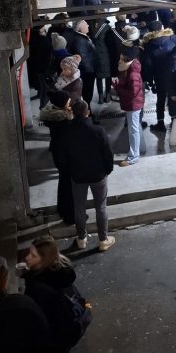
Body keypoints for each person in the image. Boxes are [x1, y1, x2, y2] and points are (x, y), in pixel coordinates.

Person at [62, 100, 116, 252]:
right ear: (88, 112)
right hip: (98, 175)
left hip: (78, 175)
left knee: (79, 208)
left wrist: (70, 171)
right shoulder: (98, 130)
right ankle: (103, 240)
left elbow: (63, 156)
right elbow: (108, 153)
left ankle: (81, 239)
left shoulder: (67, 131)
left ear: (73, 113)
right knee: (101, 207)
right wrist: (107, 170)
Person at [38, 90, 75, 224]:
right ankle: (70, 216)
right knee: (69, 185)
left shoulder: (53, 116)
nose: (70, 102)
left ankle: (62, 209)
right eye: (68, 101)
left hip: (57, 153)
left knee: (63, 181)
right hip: (65, 155)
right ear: (62, 104)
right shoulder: (64, 120)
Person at [141, 20, 176, 130]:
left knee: (160, 100)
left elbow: (148, 64)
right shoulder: (173, 39)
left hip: (159, 77)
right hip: (174, 75)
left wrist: (150, 81)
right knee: (174, 99)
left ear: (149, 31)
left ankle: (160, 124)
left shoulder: (148, 45)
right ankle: (174, 122)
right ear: (162, 27)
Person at [115, 46, 144, 166]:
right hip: (132, 104)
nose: (119, 61)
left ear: (127, 59)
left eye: (121, 59)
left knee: (133, 130)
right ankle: (134, 153)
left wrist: (118, 88)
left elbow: (132, 93)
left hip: (133, 105)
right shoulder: (130, 69)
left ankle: (133, 156)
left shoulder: (133, 74)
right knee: (133, 129)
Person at [92, 16, 120, 104]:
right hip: (106, 54)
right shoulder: (107, 27)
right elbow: (110, 41)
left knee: (99, 76)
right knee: (108, 76)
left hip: (96, 54)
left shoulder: (93, 27)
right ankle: (107, 95)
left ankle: (100, 97)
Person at [73, 20, 98, 104]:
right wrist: (91, 71)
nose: (88, 25)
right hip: (87, 72)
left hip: (89, 70)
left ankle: (87, 107)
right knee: (87, 92)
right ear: (80, 28)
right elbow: (83, 57)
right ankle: (87, 109)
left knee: (88, 92)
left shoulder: (83, 37)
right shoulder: (79, 40)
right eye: (86, 24)